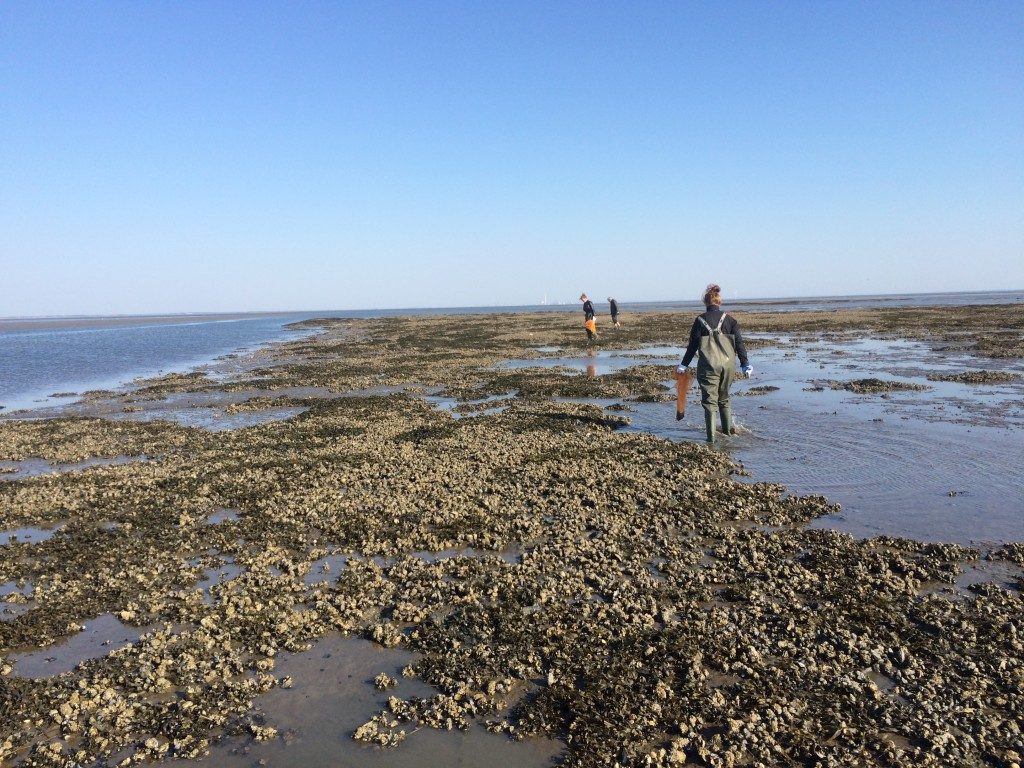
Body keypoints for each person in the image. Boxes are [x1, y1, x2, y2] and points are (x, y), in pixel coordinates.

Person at [678, 283, 752, 443]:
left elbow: (693, 345)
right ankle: (728, 436)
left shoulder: (700, 320)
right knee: (724, 399)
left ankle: (711, 440)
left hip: (708, 366)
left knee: (709, 402)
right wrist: (745, 364)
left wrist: (683, 365)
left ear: (705, 302)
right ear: (719, 302)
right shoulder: (730, 320)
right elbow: (739, 343)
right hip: (728, 366)